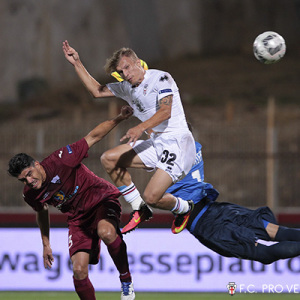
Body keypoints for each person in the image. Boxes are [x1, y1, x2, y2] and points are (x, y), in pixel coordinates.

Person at [62, 41, 196, 235]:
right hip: (156, 144)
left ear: (138, 63)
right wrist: (77, 63)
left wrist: (139, 127)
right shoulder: (126, 87)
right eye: (121, 71)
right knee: (109, 159)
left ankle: (184, 208)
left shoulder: (161, 78)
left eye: (127, 67)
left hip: (178, 144)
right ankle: (138, 207)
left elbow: (165, 111)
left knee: (153, 197)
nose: (125, 73)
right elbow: (96, 91)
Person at [8, 106, 135, 300]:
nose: (29, 182)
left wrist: (119, 117)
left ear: (37, 165)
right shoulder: (30, 194)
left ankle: (126, 280)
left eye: (29, 175)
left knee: (106, 232)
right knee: (78, 271)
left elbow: (93, 136)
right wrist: (46, 244)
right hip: (78, 219)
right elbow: (41, 211)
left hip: (101, 199)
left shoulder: (62, 159)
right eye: (23, 180)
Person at [166, 137, 300, 264]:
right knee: (278, 232)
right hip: (219, 209)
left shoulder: (169, 159)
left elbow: (153, 197)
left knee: (264, 253)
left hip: (205, 225)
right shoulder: (195, 147)